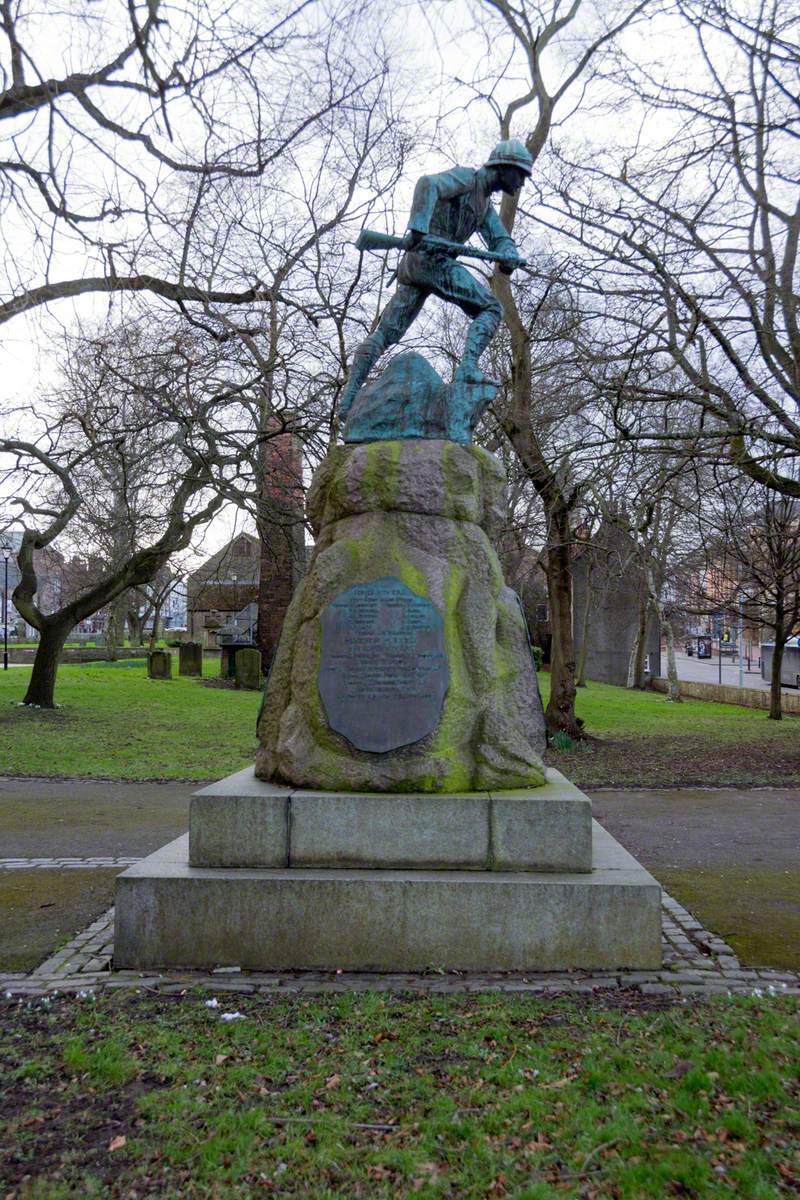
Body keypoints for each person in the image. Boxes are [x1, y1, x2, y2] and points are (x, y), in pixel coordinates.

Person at [340, 139, 533, 424]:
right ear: (504, 167)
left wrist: (509, 254)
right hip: (431, 262)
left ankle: (348, 402)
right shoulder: (468, 179)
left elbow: (500, 237)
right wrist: (419, 226)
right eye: (521, 174)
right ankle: (467, 368)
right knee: (490, 308)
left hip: (417, 266)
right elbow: (427, 184)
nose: (522, 182)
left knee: (386, 333)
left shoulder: (484, 205)